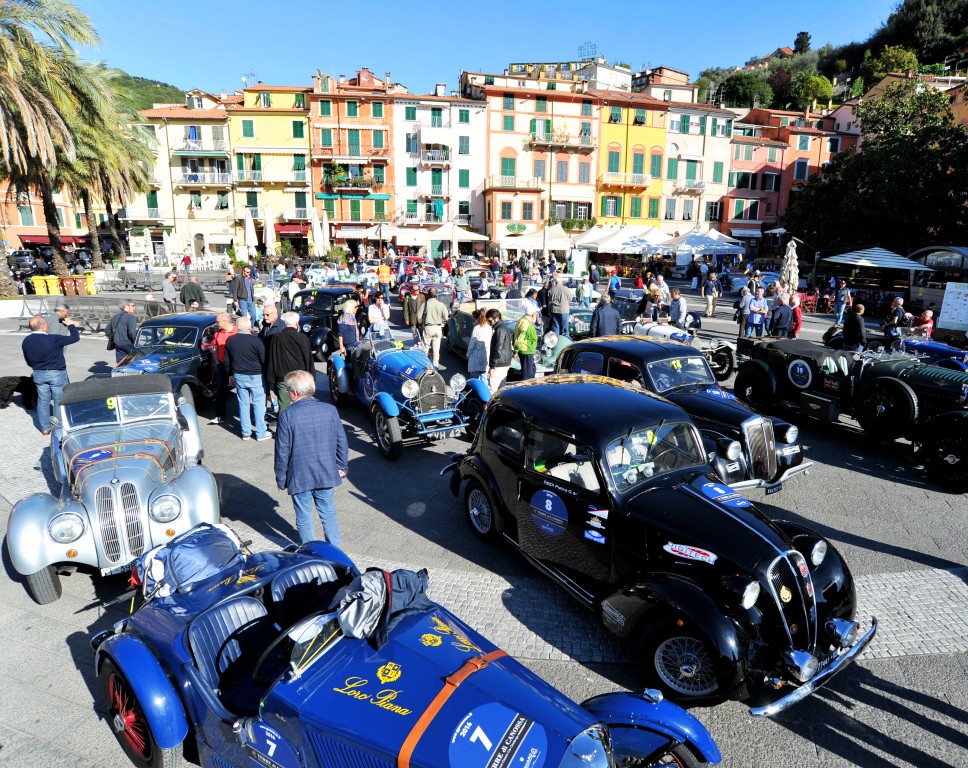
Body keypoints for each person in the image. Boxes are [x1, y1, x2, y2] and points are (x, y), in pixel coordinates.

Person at [274, 369, 348, 546]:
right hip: (327, 471)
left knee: (303, 516)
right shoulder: (330, 410)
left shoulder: (286, 416)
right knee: (328, 512)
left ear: (294, 393)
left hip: (299, 475)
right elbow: (341, 442)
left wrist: (281, 478)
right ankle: (336, 551)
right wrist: (342, 466)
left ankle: (310, 551)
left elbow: (282, 451)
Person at [22, 315, 80, 434]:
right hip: (56, 373)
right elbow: (75, 337)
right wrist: (71, 325)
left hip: (38, 373)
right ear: (43, 327)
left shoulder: (26, 341)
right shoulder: (54, 338)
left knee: (43, 400)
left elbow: (28, 361)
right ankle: (58, 426)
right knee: (59, 399)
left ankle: (45, 428)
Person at [225, 316, 270, 441]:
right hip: (256, 375)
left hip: (239, 375)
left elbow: (228, 361)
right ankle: (261, 432)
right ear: (249, 327)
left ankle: (245, 432)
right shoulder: (255, 341)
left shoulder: (230, 340)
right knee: (258, 403)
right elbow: (263, 359)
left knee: (243, 403)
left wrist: (230, 375)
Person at [268, 311, 314, 412]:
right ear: (297, 323)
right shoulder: (302, 338)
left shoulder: (276, 338)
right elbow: (308, 359)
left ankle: (283, 426)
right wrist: (311, 377)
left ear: (284, 323)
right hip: (300, 378)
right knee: (301, 407)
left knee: (283, 407)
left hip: (282, 378)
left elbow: (272, 358)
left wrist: (271, 378)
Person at [204, 312, 237, 425]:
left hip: (236, 366)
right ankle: (219, 415)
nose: (216, 324)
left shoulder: (237, 331)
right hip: (222, 365)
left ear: (225, 321)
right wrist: (217, 362)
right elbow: (214, 347)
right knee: (220, 391)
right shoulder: (218, 333)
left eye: (218, 322)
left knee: (242, 390)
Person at [420, 288, 450, 367]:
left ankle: (425, 366)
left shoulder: (425, 304)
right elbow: (446, 318)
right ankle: (435, 366)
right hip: (437, 328)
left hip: (428, 328)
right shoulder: (441, 304)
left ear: (428, 295)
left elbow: (419, 316)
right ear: (436, 295)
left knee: (425, 349)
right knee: (436, 351)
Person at [486, 308, 513, 391]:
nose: (489, 323)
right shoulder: (503, 328)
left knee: (492, 388)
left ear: (496, 318)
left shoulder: (500, 329)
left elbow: (498, 348)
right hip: (505, 361)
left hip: (499, 363)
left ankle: (489, 404)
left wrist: (492, 366)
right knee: (502, 388)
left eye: (490, 321)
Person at [107, 299, 138, 363]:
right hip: (128, 344)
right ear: (126, 306)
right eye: (133, 306)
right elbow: (132, 332)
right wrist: (137, 342)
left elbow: (107, 330)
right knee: (133, 362)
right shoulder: (130, 317)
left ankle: (120, 372)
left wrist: (115, 338)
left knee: (121, 363)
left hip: (117, 344)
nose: (134, 308)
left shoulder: (115, 316)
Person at [513, 305, 539, 380]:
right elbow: (520, 338)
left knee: (531, 370)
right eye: (536, 313)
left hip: (528, 350)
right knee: (527, 374)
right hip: (526, 350)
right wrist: (516, 351)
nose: (536, 315)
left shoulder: (524, 321)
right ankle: (527, 389)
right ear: (532, 314)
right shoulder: (525, 322)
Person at [467, 309, 492, 382]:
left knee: (475, 380)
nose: (473, 321)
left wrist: (468, 354)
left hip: (476, 356)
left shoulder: (476, 328)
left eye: (474, 319)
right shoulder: (489, 327)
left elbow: (472, 344)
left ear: (477, 319)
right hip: (486, 355)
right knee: (484, 379)